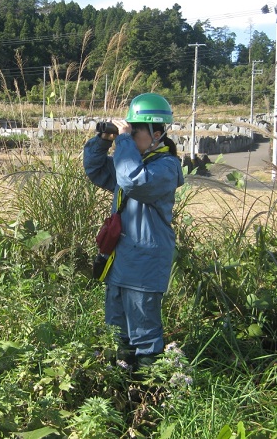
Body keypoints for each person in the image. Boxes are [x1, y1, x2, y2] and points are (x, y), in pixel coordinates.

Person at [83, 93, 184, 370]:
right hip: (121, 259)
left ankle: (151, 395)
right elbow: (95, 170)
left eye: (135, 130)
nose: (128, 135)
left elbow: (132, 182)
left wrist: (124, 142)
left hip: (145, 263)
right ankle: (123, 392)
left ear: (157, 134)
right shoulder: (133, 161)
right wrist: (104, 140)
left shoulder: (165, 167)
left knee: (144, 336)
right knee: (117, 332)